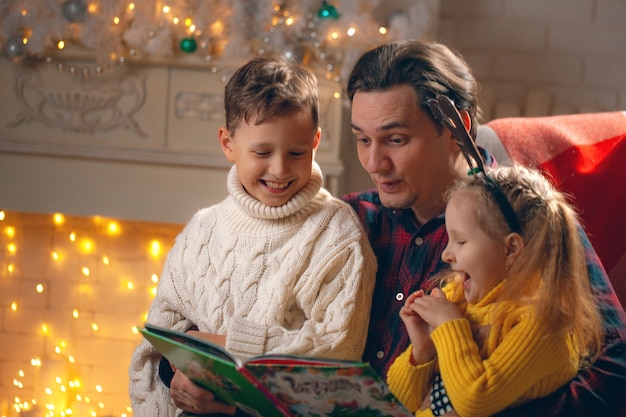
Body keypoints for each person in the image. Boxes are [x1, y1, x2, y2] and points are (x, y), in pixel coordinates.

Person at [342, 40, 626, 416]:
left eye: (396, 140)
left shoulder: (525, 218)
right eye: (362, 139)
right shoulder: (352, 219)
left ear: (457, 129)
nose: (374, 162)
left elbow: (614, 369)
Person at [129, 55, 377, 416]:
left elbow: (338, 352)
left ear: (316, 141)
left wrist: (226, 346)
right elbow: (156, 345)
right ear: (228, 144)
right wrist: (174, 379)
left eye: (296, 152)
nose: (279, 168)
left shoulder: (336, 233)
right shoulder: (202, 230)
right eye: (262, 152)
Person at [387, 164, 604, 416]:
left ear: (510, 249)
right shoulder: (459, 297)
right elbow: (394, 402)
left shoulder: (544, 323)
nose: (446, 254)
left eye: (461, 241)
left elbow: (475, 400)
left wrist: (449, 327)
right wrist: (422, 349)